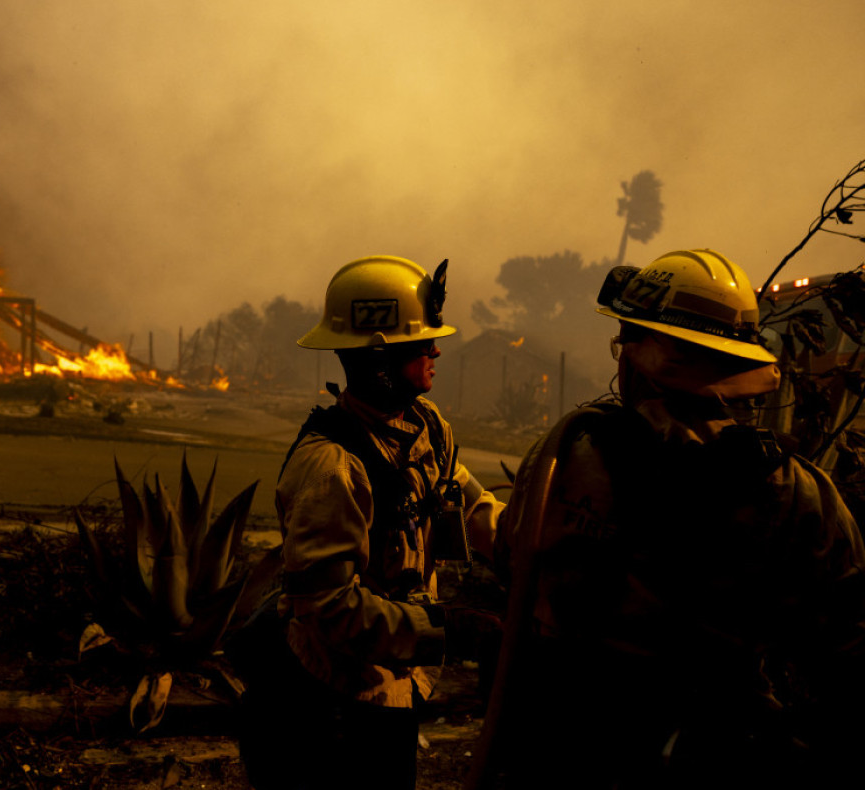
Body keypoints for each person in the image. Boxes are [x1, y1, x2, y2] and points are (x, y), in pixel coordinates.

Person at [467, 249, 865, 789]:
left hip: (567, 745)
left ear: (635, 359)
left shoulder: (572, 452)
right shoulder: (801, 492)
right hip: (719, 751)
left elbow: (518, 563)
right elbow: (846, 648)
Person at [232, 255, 505, 790]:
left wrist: (534, 543)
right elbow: (328, 609)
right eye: (422, 342)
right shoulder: (332, 468)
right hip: (330, 705)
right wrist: (449, 630)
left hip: (393, 684)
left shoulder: (424, 427)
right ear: (379, 359)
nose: (436, 350)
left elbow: (468, 505)